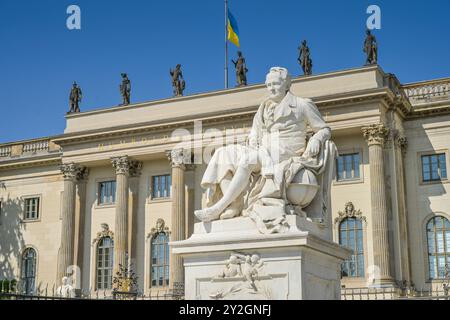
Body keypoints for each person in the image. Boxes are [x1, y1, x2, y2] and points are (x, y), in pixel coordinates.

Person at [195, 67, 332, 233]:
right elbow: (255, 133)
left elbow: (324, 129)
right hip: (262, 149)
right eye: (268, 85)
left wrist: (317, 138)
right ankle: (234, 204)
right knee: (222, 154)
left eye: (275, 84)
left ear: (287, 84)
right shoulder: (263, 108)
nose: (271, 88)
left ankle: (219, 206)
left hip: (285, 150)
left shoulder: (302, 105)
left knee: (248, 160)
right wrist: (253, 142)